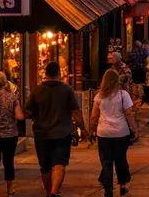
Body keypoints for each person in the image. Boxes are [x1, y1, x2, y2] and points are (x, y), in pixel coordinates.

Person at [24, 61, 85, 197]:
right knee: (59, 163)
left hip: (42, 134)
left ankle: (49, 192)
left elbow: (27, 112)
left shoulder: (37, 90)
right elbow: (75, 111)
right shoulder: (67, 90)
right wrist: (83, 128)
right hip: (62, 133)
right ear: (59, 73)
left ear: (45, 74)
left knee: (45, 166)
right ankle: (54, 191)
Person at [89, 69, 137, 197]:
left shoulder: (99, 96)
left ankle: (108, 188)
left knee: (106, 161)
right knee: (121, 159)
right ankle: (122, 185)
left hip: (104, 133)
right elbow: (129, 113)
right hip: (121, 133)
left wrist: (91, 130)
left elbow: (94, 116)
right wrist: (135, 129)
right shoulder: (123, 95)